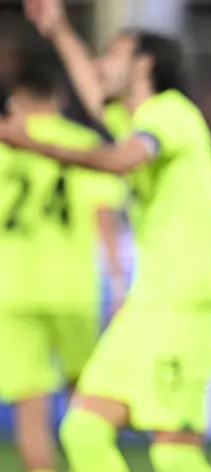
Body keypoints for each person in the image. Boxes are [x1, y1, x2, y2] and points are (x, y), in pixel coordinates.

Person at [0, 1, 211, 471]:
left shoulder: (172, 114)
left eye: (112, 56)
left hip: (186, 304)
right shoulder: (138, 119)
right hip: (149, 305)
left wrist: (33, 144)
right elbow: (94, 93)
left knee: (174, 452)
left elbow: (123, 159)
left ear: (143, 65)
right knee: (82, 430)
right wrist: (60, 30)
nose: (101, 66)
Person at [0, 59, 124, 472]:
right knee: (85, 402)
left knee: (30, 409)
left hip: (13, 291)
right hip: (72, 288)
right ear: (59, 98)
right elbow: (102, 216)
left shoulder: (6, 144)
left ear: (16, 100)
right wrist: (118, 279)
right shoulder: (80, 142)